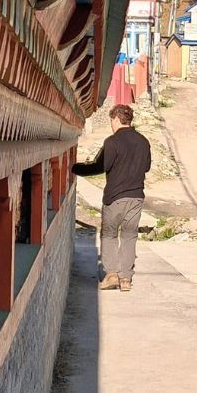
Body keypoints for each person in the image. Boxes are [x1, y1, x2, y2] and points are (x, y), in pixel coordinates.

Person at [73, 104, 151, 292]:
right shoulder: (143, 141)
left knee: (109, 235)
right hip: (136, 197)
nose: (111, 124)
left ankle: (111, 275)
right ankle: (126, 279)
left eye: (111, 121)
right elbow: (147, 167)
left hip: (114, 197)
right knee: (129, 236)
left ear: (116, 119)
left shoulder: (112, 142)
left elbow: (100, 166)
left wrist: (75, 168)